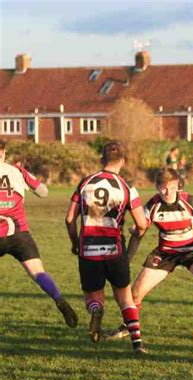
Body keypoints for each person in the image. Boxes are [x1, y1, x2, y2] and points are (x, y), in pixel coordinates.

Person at [107, 168, 193, 342]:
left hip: (192, 251)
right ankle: (128, 326)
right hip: (166, 253)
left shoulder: (190, 201)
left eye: (171, 188)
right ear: (157, 187)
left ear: (178, 185)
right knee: (135, 294)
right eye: (163, 188)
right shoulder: (153, 205)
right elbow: (139, 233)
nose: (167, 192)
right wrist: (127, 259)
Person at [65, 141, 148, 352]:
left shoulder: (85, 183)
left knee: (92, 296)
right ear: (123, 161)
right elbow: (141, 223)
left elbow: (69, 219)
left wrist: (75, 242)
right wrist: (137, 234)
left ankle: (97, 310)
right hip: (114, 249)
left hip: (88, 249)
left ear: (101, 160)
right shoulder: (127, 187)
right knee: (125, 298)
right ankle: (137, 343)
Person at [0, 139, 78, 327]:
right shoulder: (17, 171)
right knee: (37, 272)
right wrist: (25, 173)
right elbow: (43, 192)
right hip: (19, 233)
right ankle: (59, 299)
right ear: (3, 152)